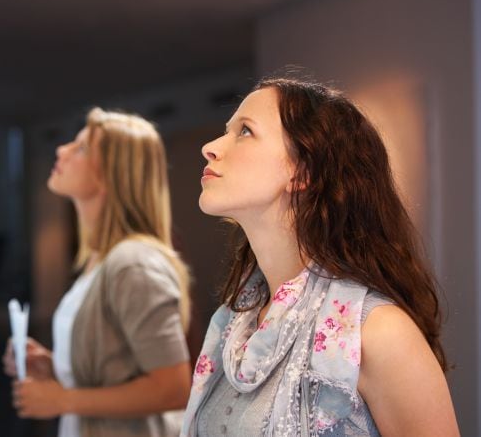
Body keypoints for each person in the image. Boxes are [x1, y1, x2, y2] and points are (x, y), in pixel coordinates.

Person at [181, 77, 460, 436]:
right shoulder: (232, 325)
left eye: (245, 131)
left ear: (304, 171)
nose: (210, 147)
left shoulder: (375, 331)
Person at [3, 107, 192, 437]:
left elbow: (173, 388)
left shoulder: (133, 263)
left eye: (81, 148)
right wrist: (56, 368)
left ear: (112, 175)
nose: (61, 150)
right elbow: (117, 373)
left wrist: (64, 399)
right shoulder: (99, 260)